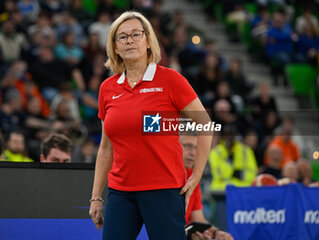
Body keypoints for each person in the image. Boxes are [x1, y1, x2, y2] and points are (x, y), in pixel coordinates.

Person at [89, 11, 212, 240]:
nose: (130, 41)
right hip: (121, 192)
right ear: (115, 47)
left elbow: (205, 125)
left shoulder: (171, 80)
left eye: (136, 34)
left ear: (148, 41)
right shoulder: (107, 88)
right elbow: (106, 147)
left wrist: (196, 175)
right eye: (122, 37)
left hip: (164, 189)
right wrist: (96, 196)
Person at [180, 134, 234, 240]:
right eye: (187, 146)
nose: (193, 153)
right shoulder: (165, 179)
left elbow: (198, 219)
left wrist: (217, 233)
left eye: (196, 148)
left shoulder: (193, 177)